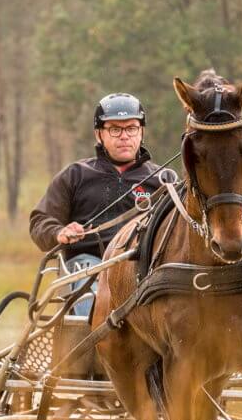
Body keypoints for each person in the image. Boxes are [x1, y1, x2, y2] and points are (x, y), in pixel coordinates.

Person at [29, 93, 162, 317]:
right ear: (99, 134)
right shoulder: (75, 175)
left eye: (131, 128)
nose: (124, 136)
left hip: (144, 269)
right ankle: (93, 344)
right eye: (115, 129)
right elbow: (39, 222)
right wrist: (59, 232)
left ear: (141, 132)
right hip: (90, 266)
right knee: (89, 284)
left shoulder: (162, 180)